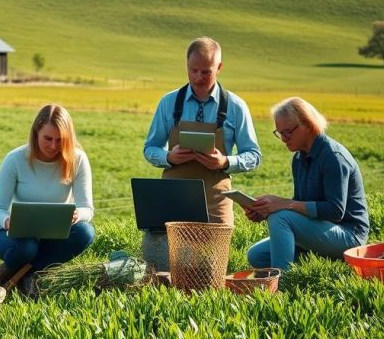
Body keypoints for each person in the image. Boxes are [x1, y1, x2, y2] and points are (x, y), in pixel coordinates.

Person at [142, 37, 262, 269]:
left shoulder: (236, 106)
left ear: (219, 68)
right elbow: (150, 148)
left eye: (205, 71)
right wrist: (168, 157)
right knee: (166, 268)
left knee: (210, 270)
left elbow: (253, 155)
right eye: (193, 70)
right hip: (173, 199)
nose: (198, 77)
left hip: (215, 201)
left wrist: (225, 161)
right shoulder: (168, 103)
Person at [245, 97, 369, 270]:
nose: (283, 138)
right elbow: (298, 206)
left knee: (281, 217)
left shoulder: (333, 157)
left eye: (288, 131)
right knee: (257, 256)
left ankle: (281, 285)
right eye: (280, 133)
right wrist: (265, 210)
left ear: (308, 124)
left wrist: (282, 205)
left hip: (349, 237)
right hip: (322, 230)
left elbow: (335, 211)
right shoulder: (298, 159)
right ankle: (308, 264)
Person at [0, 104, 95, 294]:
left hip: (54, 235)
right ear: (36, 132)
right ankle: (7, 270)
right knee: (27, 246)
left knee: (85, 232)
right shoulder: (14, 159)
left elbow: (88, 208)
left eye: (60, 140)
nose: (53, 146)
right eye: (48, 138)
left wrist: (78, 215)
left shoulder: (77, 159)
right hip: (14, 236)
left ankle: (25, 273)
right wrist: (7, 221)